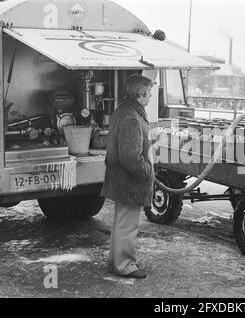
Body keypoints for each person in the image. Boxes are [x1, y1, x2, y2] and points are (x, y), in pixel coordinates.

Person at [101, 74, 154, 279]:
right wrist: (147, 172)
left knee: (121, 223)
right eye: (148, 92)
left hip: (121, 179)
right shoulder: (132, 116)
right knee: (128, 225)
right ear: (140, 93)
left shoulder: (125, 110)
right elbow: (131, 157)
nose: (150, 95)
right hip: (130, 182)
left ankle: (115, 262)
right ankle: (125, 266)